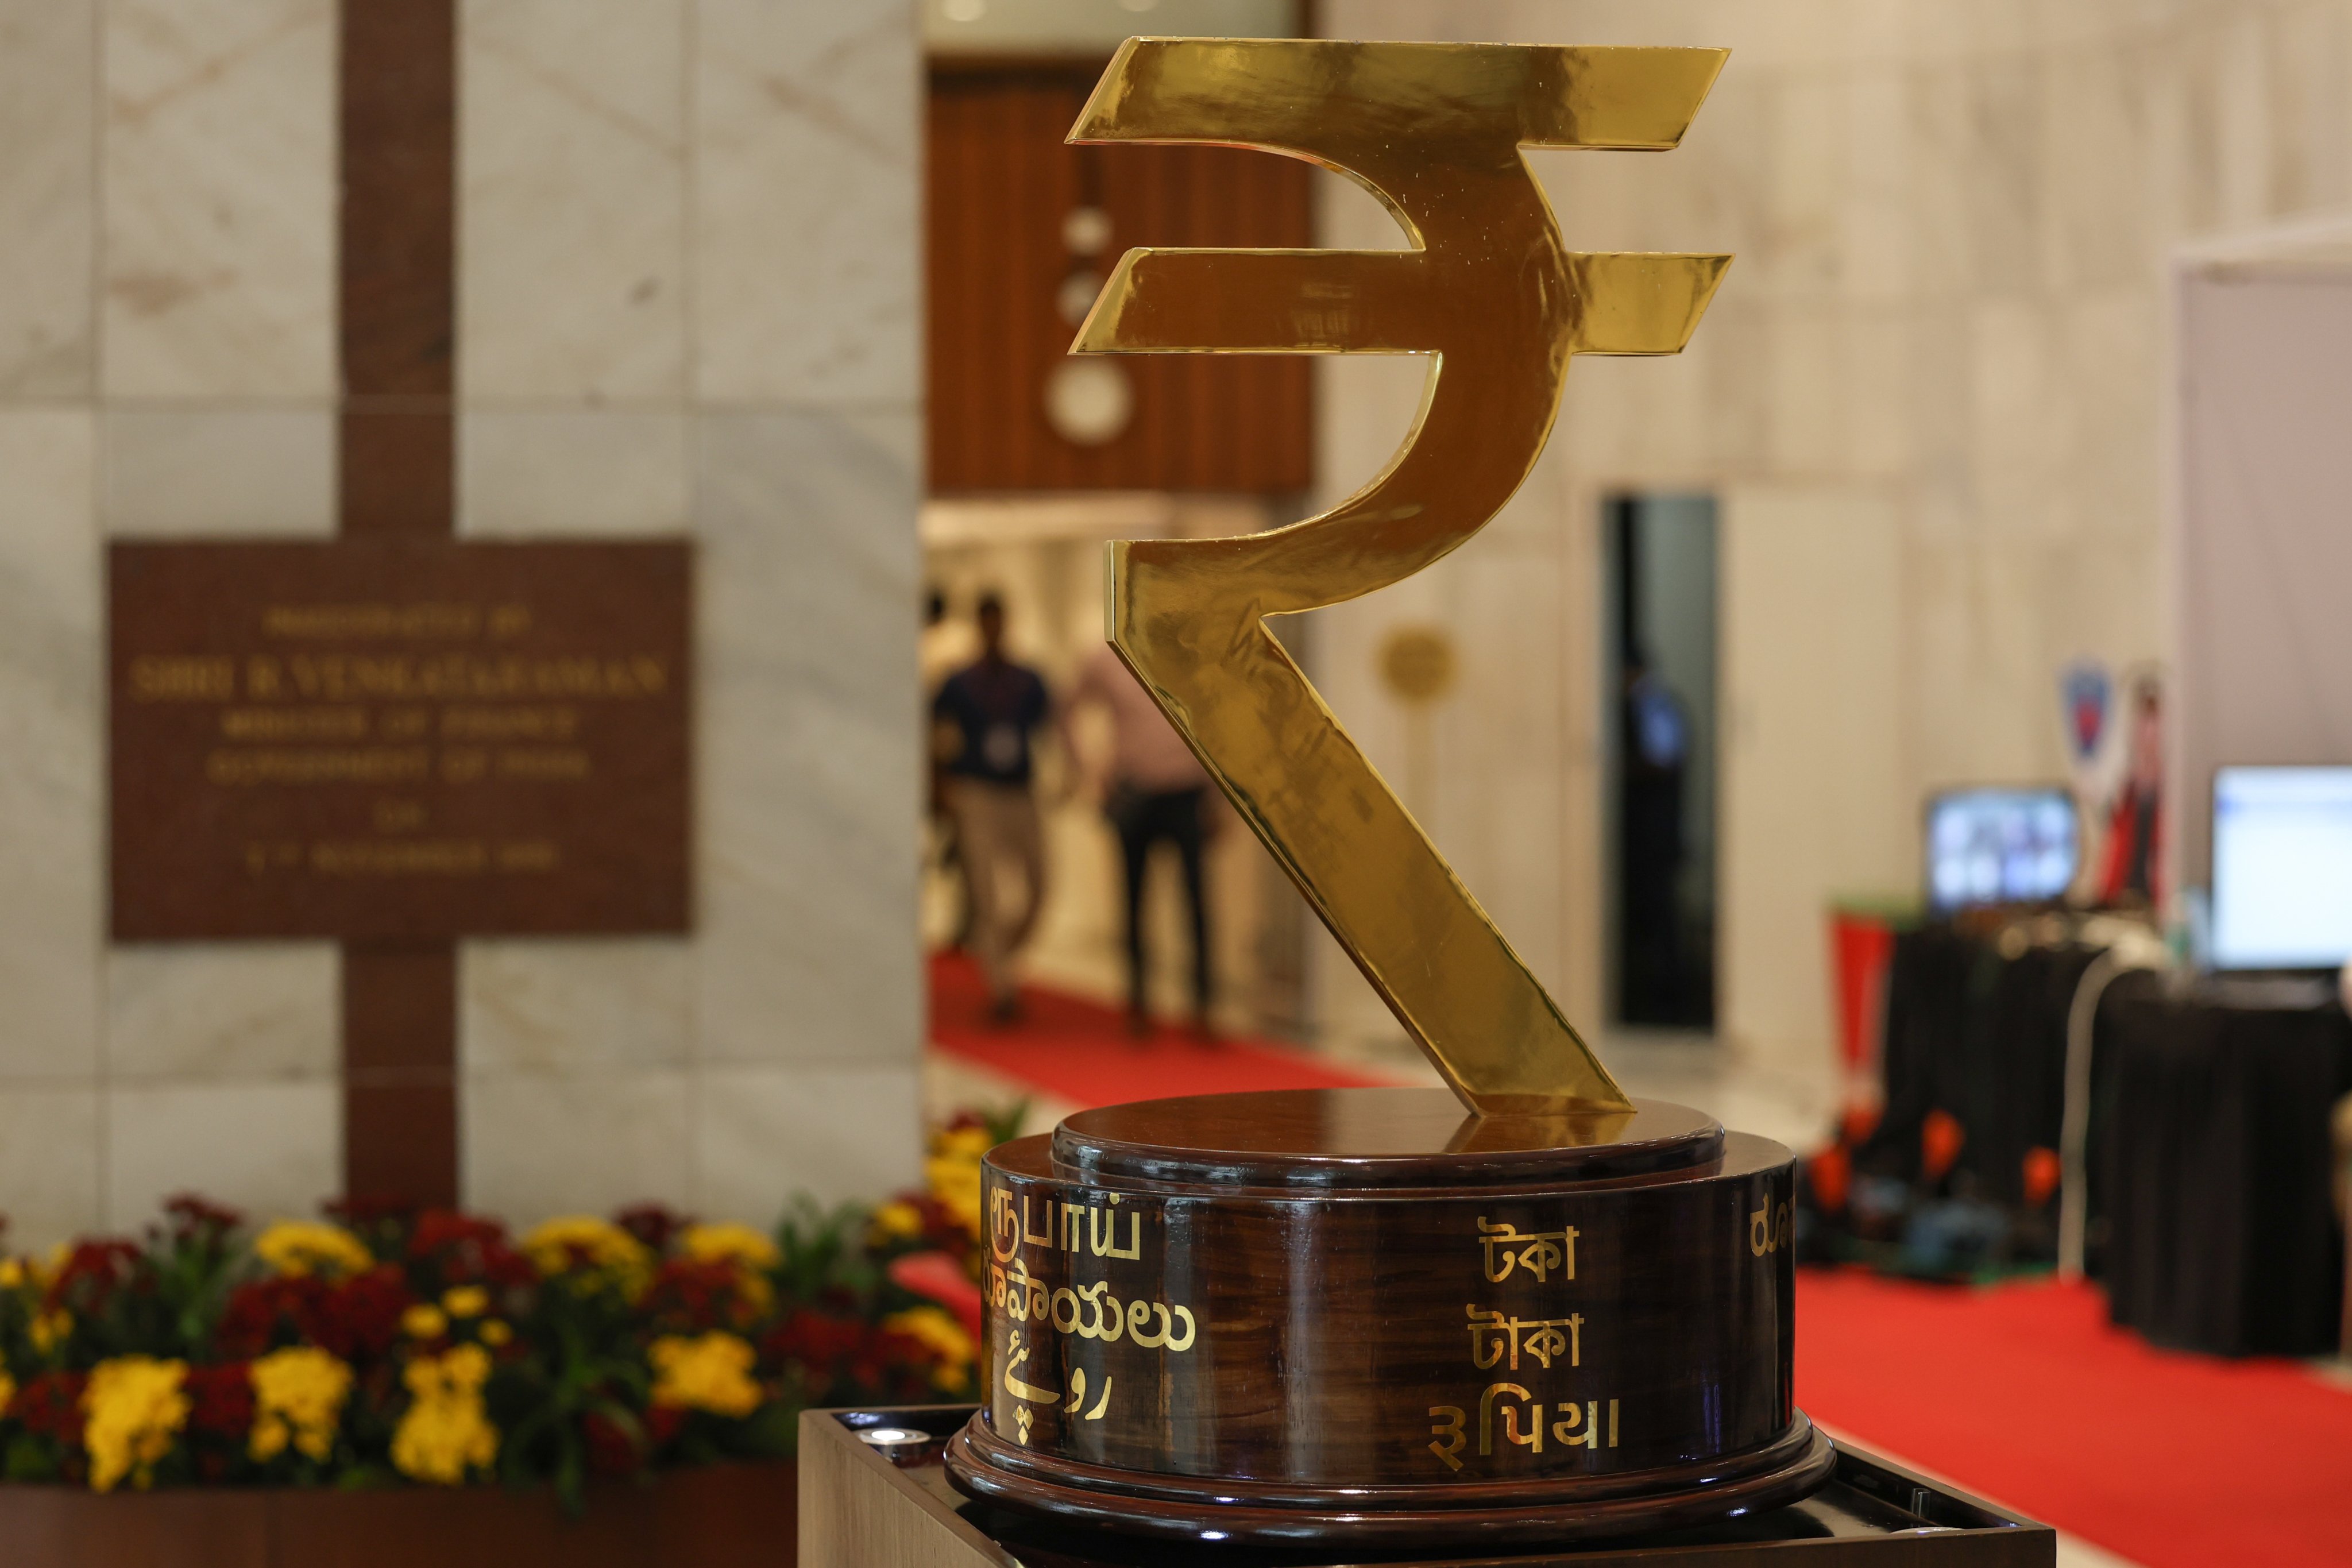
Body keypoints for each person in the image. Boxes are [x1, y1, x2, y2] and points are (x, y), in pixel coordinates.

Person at [1063, 646, 1215, 1036]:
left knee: (1196, 901)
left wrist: (1219, 799)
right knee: (1133, 901)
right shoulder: (1106, 657)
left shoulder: (1188, 651)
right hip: (1135, 792)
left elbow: (1215, 721)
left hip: (1185, 788)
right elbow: (1067, 706)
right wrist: (1087, 769)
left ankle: (1202, 1004)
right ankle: (1138, 1003)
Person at [932, 594, 1052, 1022]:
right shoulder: (960, 682)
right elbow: (940, 733)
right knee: (985, 892)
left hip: (1019, 792)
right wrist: (943, 788)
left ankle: (1001, 948)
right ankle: (1002, 986)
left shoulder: (1028, 680)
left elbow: (1048, 728)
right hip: (977, 792)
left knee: (1039, 885)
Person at [1618, 651, 1689, 1023]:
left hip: (1656, 833)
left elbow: (1661, 762)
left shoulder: (1655, 707)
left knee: (1660, 916)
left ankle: (1667, 999)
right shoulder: (1640, 706)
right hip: (1644, 834)